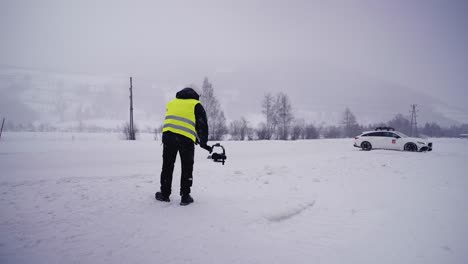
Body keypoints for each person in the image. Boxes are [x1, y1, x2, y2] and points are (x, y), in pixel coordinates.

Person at [155, 86, 212, 205]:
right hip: (185, 140)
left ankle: (164, 194)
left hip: (168, 136)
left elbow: (178, 120)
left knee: (167, 165)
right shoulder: (195, 104)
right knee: (187, 166)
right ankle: (185, 196)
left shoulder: (172, 103)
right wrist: (203, 142)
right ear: (194, 95)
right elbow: (202, 124)